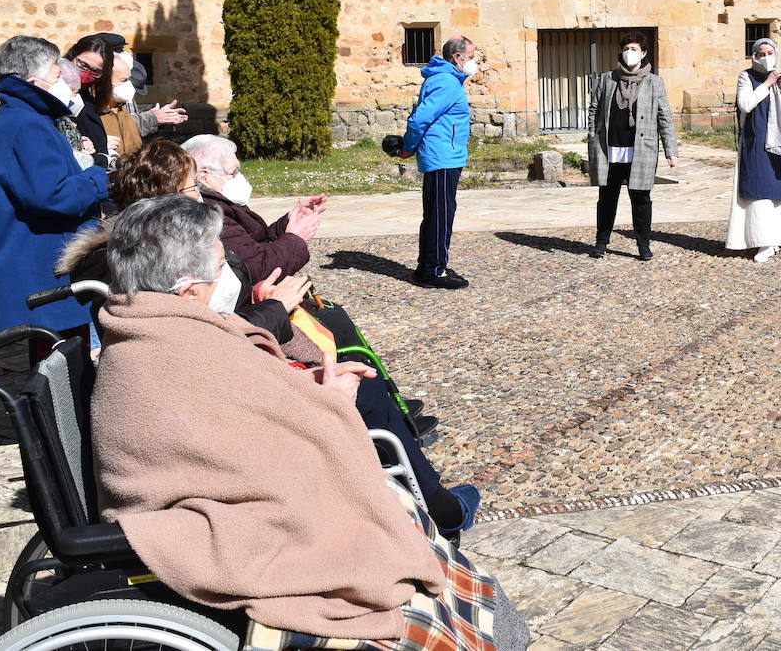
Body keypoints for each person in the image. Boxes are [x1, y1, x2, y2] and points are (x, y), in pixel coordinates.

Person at [92, 197, 522, 648]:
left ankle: (454, 574)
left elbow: (247, 411)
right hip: (227, 523)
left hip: (230, 489)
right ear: (189, 291)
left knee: (398, 509)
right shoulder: (174, 346)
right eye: (221, 266)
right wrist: (331, 404)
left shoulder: (154, 328)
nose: (230, 277)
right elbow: (252, 448)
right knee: (384, 523)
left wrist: (313, 386)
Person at [59, 141, 459, 523]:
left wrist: (263, 297)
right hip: (222, 453)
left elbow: (210, 338)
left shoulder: (154, 272)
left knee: (345, 360)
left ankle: (420, 486)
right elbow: (211, 356)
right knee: (352, 378)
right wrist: (308, 378)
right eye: (192, 186)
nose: (201, 192)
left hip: (226, 374)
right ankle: (426, 501)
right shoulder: (165, 278)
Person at [0, 36, 109, 353]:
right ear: (33, 80)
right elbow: (52, 196)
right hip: (42, 262)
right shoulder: (27, 123)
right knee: (58, 367)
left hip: (40, 257)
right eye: (56, 72)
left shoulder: (25, 116)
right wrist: (98, 176)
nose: (63, 80)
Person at [182, 134, 324, 283]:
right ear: (204, 177)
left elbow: (255, 242)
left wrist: (289, 221)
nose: (240, 178)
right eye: (234, 172)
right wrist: (295, 238)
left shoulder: (219, 202)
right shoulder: (211, 215)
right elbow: (259, 268)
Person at [586, 31, 678, 260]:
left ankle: (644, 244)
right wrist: (592, 136)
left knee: (641, 199)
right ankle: (601, 241)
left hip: (641, 149)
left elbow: (664, 116)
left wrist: (671, 151)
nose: (629, 53)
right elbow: (594, 108)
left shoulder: (655, 82)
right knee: (607, 197)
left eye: (634, 49)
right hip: (610, 148)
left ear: (643, 53)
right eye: (626, 49)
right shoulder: (607, 79)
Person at [399, 35, 477, 289]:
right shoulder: (446, 83)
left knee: (437, 213)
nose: (473, 63)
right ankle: (434, 270)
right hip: (442, 156)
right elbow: (420, 118)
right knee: (441, 215)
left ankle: (430, 265)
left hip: (445, 155)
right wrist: (408, 148)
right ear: (457, 57)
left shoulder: (448, 80)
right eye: (471, 57)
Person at [725, 38, 781, 263]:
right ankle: (760, 240)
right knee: (757, 190)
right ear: (754, 56)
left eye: (770, 52)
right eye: (761, 53)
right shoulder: (746, 76)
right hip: (755, 141)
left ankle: (773, 241)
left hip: (779, 141)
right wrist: (767, 84)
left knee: (775, 192)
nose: (766, 57)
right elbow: (745, 104)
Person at [99, 49, 187, 157]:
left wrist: (154, 118)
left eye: (129, 79)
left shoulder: (120, 108)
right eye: (124, 80)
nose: (129, 85)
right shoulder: (89, 110)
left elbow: (128, 128)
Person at [62, 33, 116, 165]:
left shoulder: (89, 100)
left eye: (95, 71)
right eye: (82, 64)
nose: (85, 74)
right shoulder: (58, 95)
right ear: (72, 56)